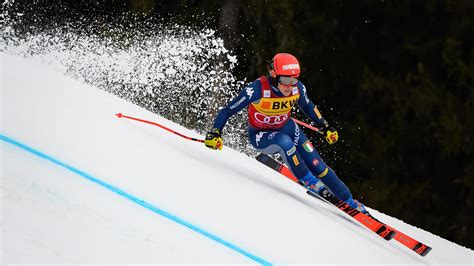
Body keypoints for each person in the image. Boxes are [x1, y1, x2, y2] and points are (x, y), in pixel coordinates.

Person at [204, 53, 367, 213]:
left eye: (294, 79)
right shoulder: (257, 90)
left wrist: (325, 126)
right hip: (261, 135)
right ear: (274, 75)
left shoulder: (298, 88)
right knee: (285, 142)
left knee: (318, 164)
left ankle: (349, 202)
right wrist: (215, 133)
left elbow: (308, 106)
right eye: (285, 80)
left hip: (287, 127)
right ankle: (309, 181)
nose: (290, 85)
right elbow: (227, 110)